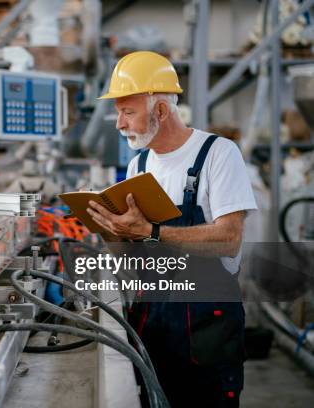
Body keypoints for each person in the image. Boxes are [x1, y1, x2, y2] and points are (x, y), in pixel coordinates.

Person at [86, 51, 258, 407]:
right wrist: (110, 229)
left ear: (160, 111)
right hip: (153, 324)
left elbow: (229, 238)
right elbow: (132, 259)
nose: (119, 123)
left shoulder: (217, 154)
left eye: (127, 112)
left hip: (206, 333)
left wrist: (151, 231)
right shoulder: (139, 164)